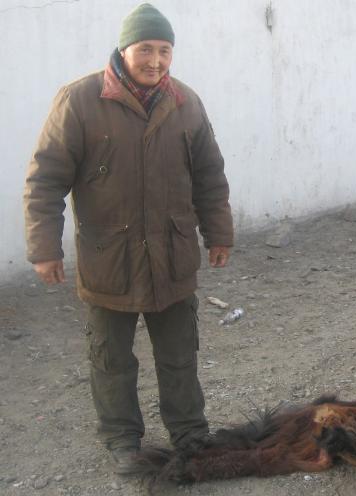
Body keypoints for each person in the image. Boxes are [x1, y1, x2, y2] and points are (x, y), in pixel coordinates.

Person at [23, 3, 233, 474]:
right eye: (145, 49)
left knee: (179, 355)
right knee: (111, 358)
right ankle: (122, 437)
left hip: (172, 257)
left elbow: (209, 176)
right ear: (124, 49)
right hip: (109, 260)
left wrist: (219, 233)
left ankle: (190, 432)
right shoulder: (80, 100)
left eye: (164, 51)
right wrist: (44, 249)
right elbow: (46, 180)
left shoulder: (186, 103)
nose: (155, 61)